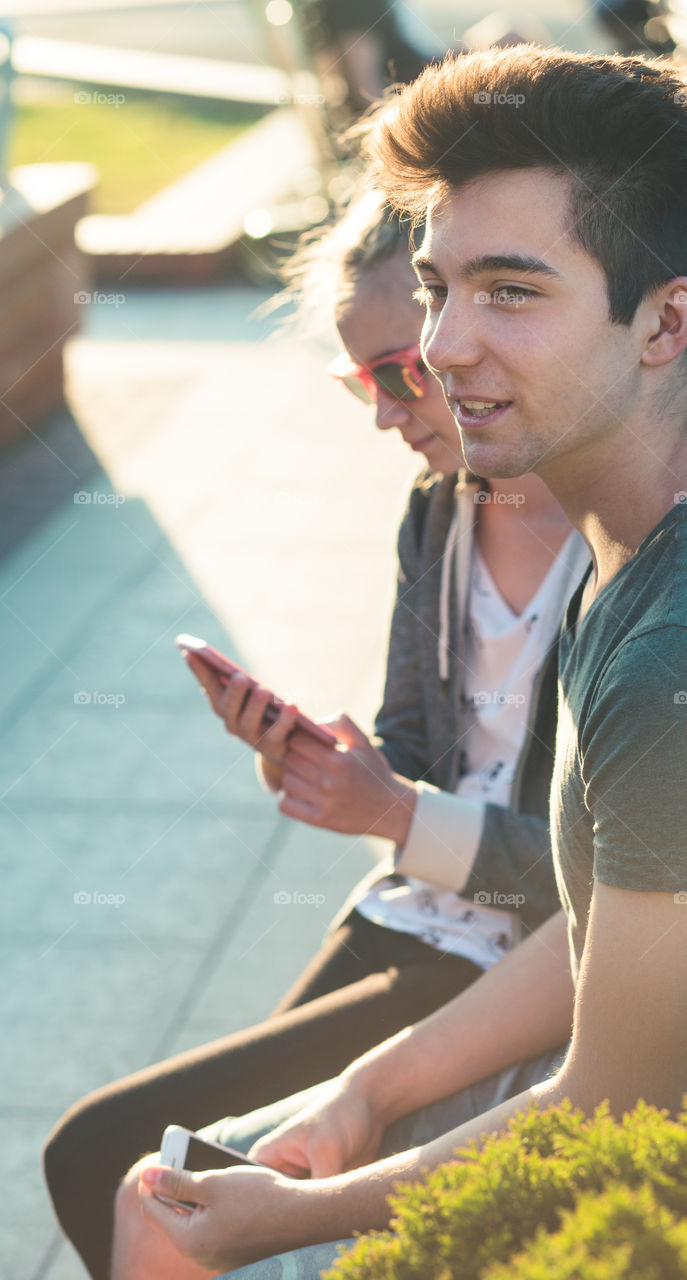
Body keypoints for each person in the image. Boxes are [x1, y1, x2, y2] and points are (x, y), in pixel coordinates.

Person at [107, 43, 687, 1280]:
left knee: (161, 1213)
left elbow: (619, 1112)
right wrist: (362, 1087)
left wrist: (292, 1219)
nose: (444, 346)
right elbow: (607, 922)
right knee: (161, 1174)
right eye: (437, 286)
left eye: (511, 291)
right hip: (636, 1110)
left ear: (665, 319)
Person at [43, 190, 588, 1280]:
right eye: (362, 384)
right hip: (408, 916)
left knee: (122, 1158)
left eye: (399, 372)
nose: (387, 414)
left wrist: (394, 811)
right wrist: (322, 764)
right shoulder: (436, 512)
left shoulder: (618, 549)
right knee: (178, 1173)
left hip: (507, 960)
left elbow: (601, 881)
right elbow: (411, 745)